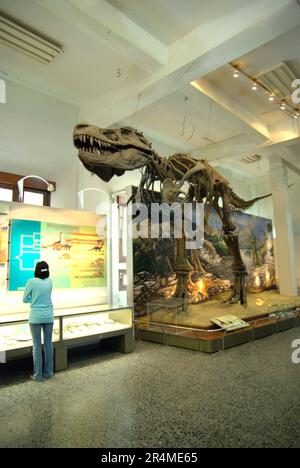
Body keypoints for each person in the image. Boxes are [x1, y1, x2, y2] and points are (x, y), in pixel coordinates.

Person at [23, 261, 54, 382]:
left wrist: (34, 299)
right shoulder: (50, 282)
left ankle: (38, 375)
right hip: (48, 316)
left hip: (35, 317)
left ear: (36, 270)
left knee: (36, 346)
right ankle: (48, 372)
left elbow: (25, 299)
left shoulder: (31, 282)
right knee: (48, 345)